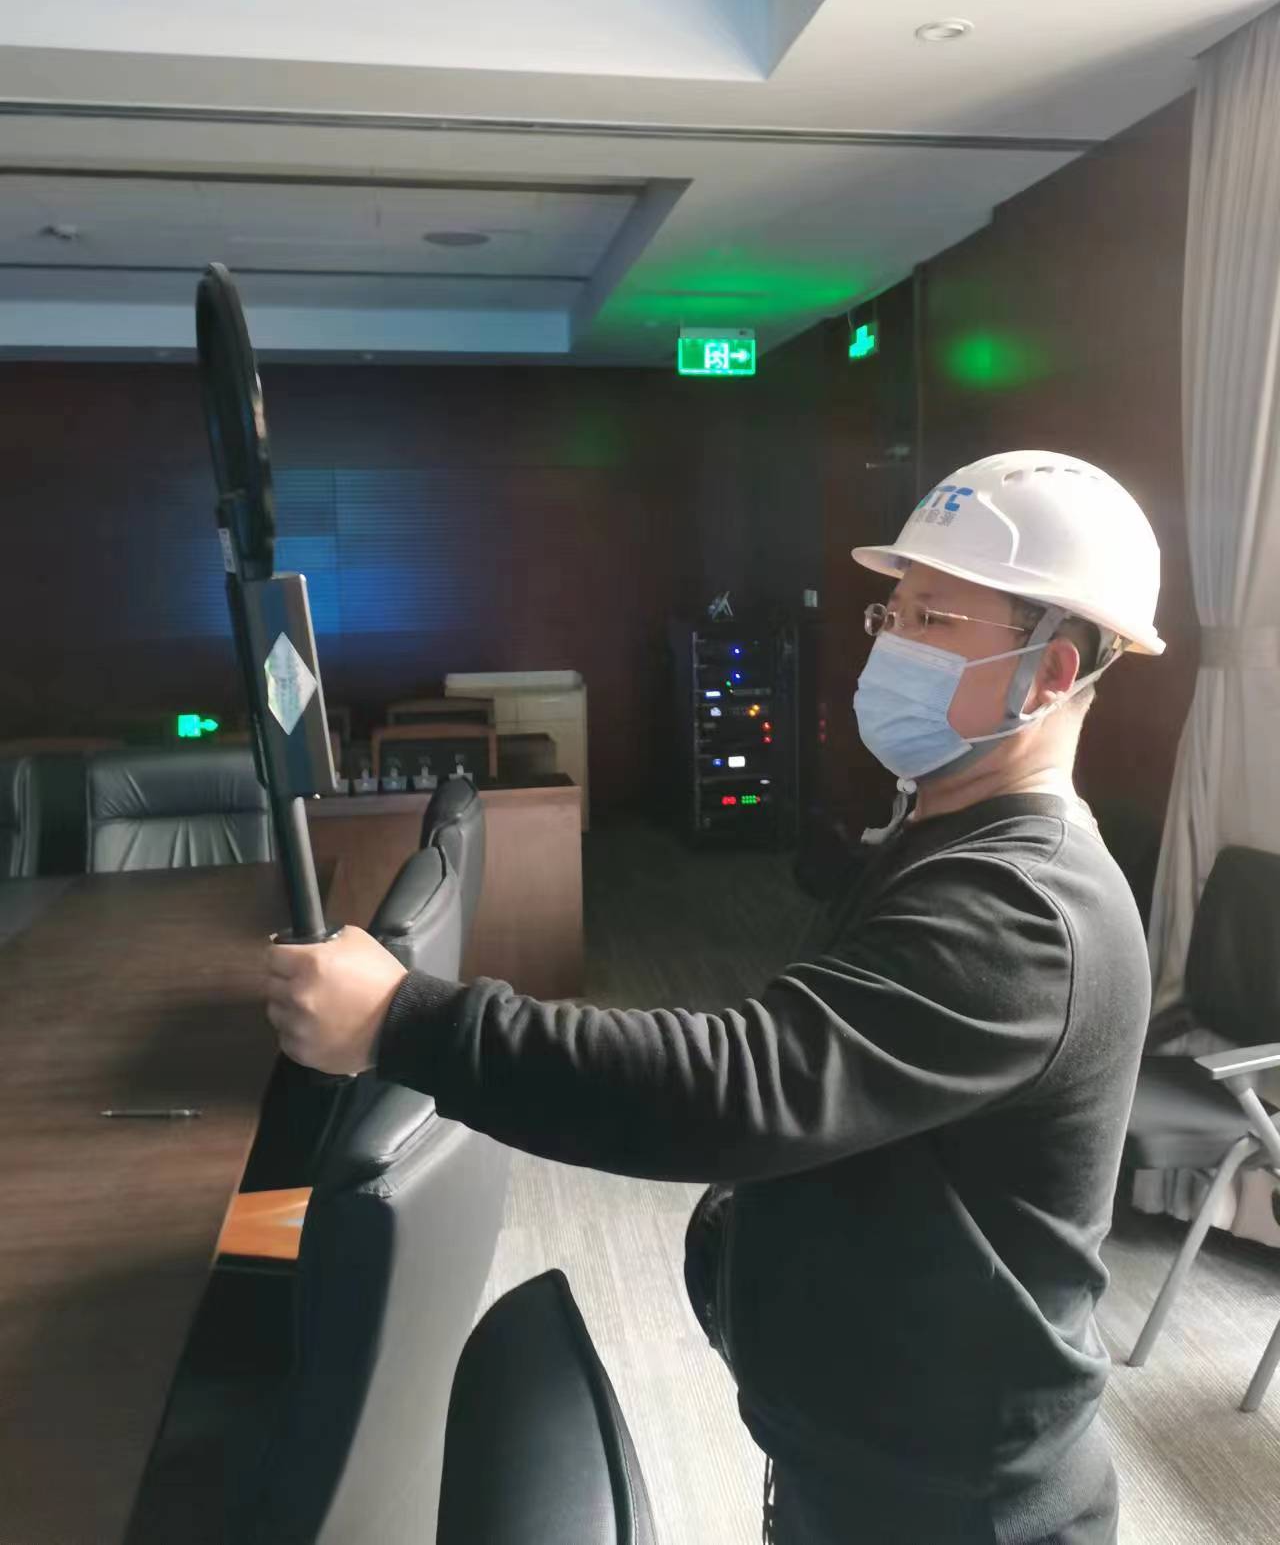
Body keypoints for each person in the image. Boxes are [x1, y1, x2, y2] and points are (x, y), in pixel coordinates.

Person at [265, 450, 1162, 1545]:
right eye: (891, 611)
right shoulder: (944, 838)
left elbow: (746, 1085)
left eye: (932, 618)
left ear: (1049, 670)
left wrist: (404, 1022)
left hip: (959, 1507)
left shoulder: (1023, 908)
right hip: (866, 1464)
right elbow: (839, 1092)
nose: (887, 643)